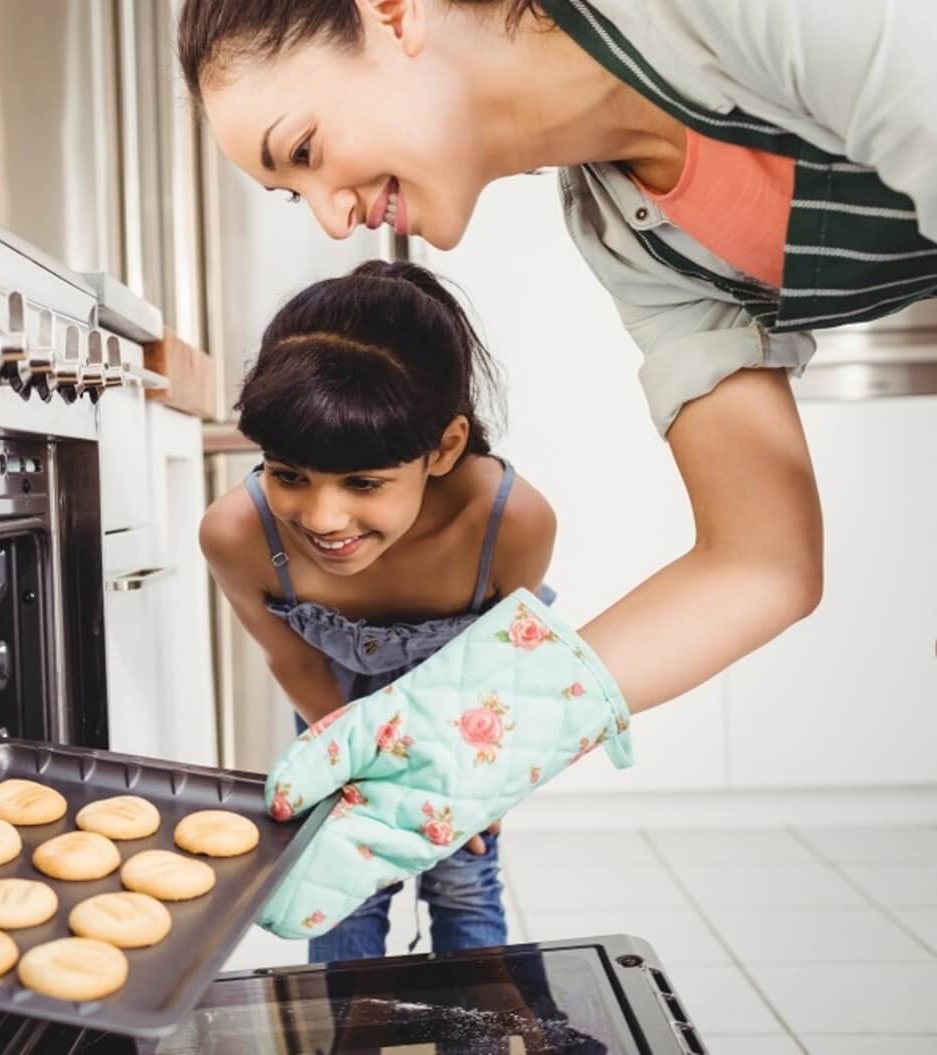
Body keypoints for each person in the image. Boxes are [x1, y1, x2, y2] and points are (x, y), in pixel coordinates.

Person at [177, 0, 937, 941]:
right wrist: (485, 730)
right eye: (292, 193)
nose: (334, 219)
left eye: (303, 148)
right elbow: (761, 560)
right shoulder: (628, 233)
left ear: (390, 12)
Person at [201, 260, 555, 960]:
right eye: (288, 474)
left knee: (463, 880)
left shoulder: (508, 521)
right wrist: (352, 773)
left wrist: (472, 784)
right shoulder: (237, 534)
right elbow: (292, 658)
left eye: (364, 481)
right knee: (337, 889)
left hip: (463, 726)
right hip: (333, 714)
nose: (323, 516)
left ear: (443, 447)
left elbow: (506, 667)